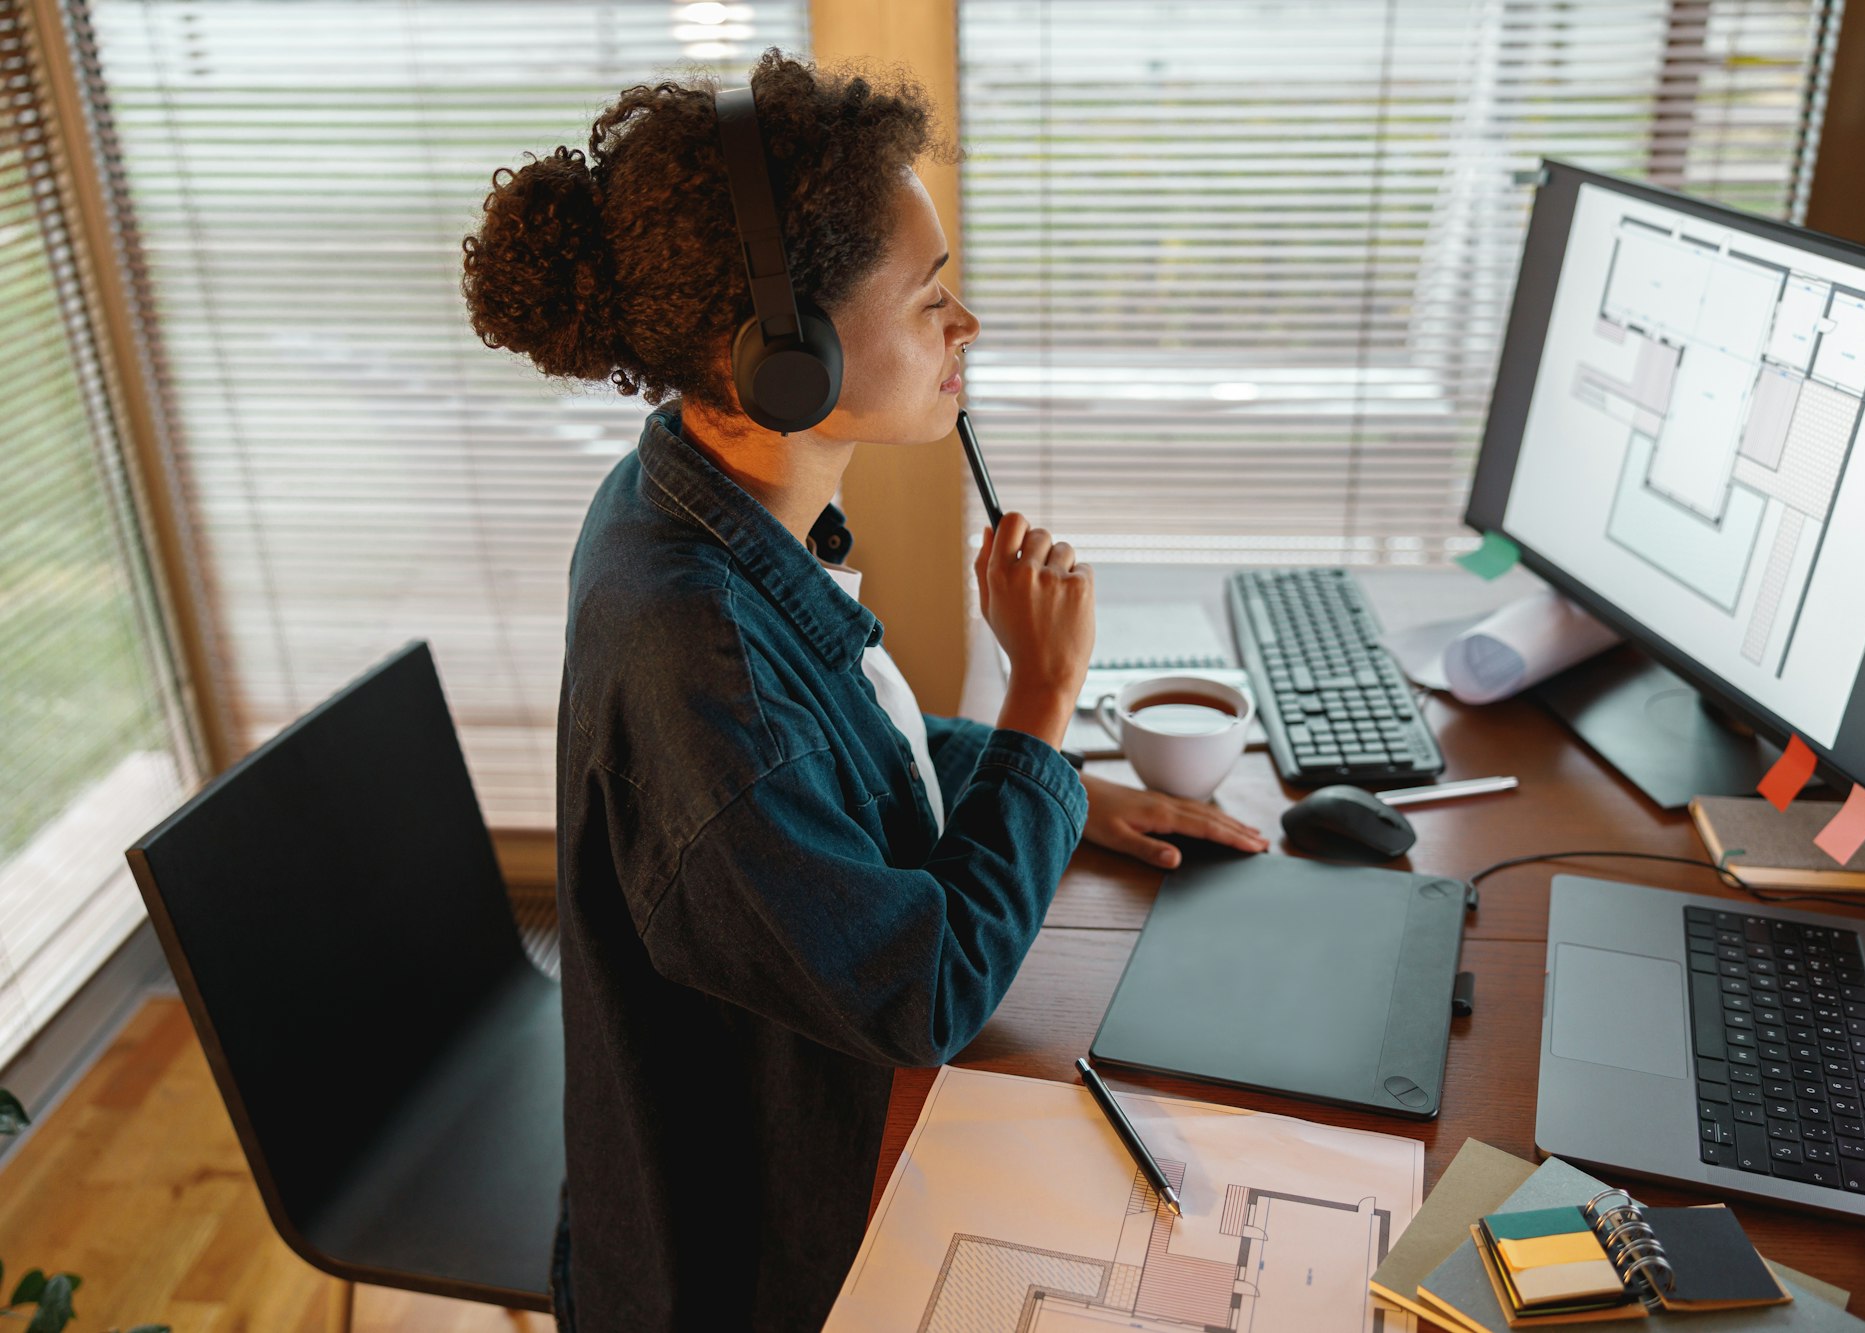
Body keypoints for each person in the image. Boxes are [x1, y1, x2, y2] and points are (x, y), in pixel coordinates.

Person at [460, 48, 1268, 1331]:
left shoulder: (688, 499)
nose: (967, 326)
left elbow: (828, 750)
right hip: (747, 1265)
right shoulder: (696, 650)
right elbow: (922, 996)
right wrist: (1040, 704)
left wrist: (1045, 787)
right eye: (929, 294)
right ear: (781, 362)